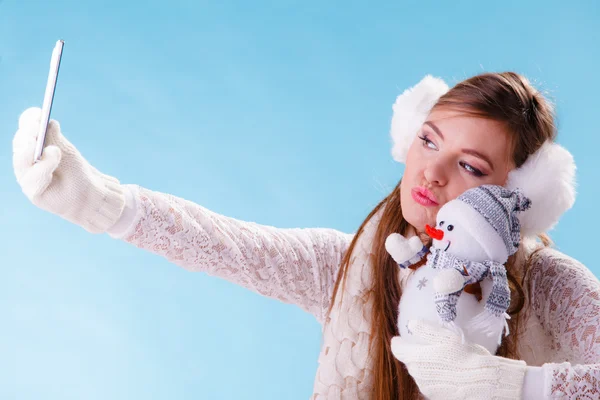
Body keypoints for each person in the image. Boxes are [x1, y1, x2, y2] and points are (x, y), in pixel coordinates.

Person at [12, 72, 600, 400]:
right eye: (427, 140)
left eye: (470, 165)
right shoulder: (348, 268)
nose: (432, 173)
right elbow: (224, 243)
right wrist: (92, 197)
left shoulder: (551, 287)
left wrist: (516, 389)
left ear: (519, 194)